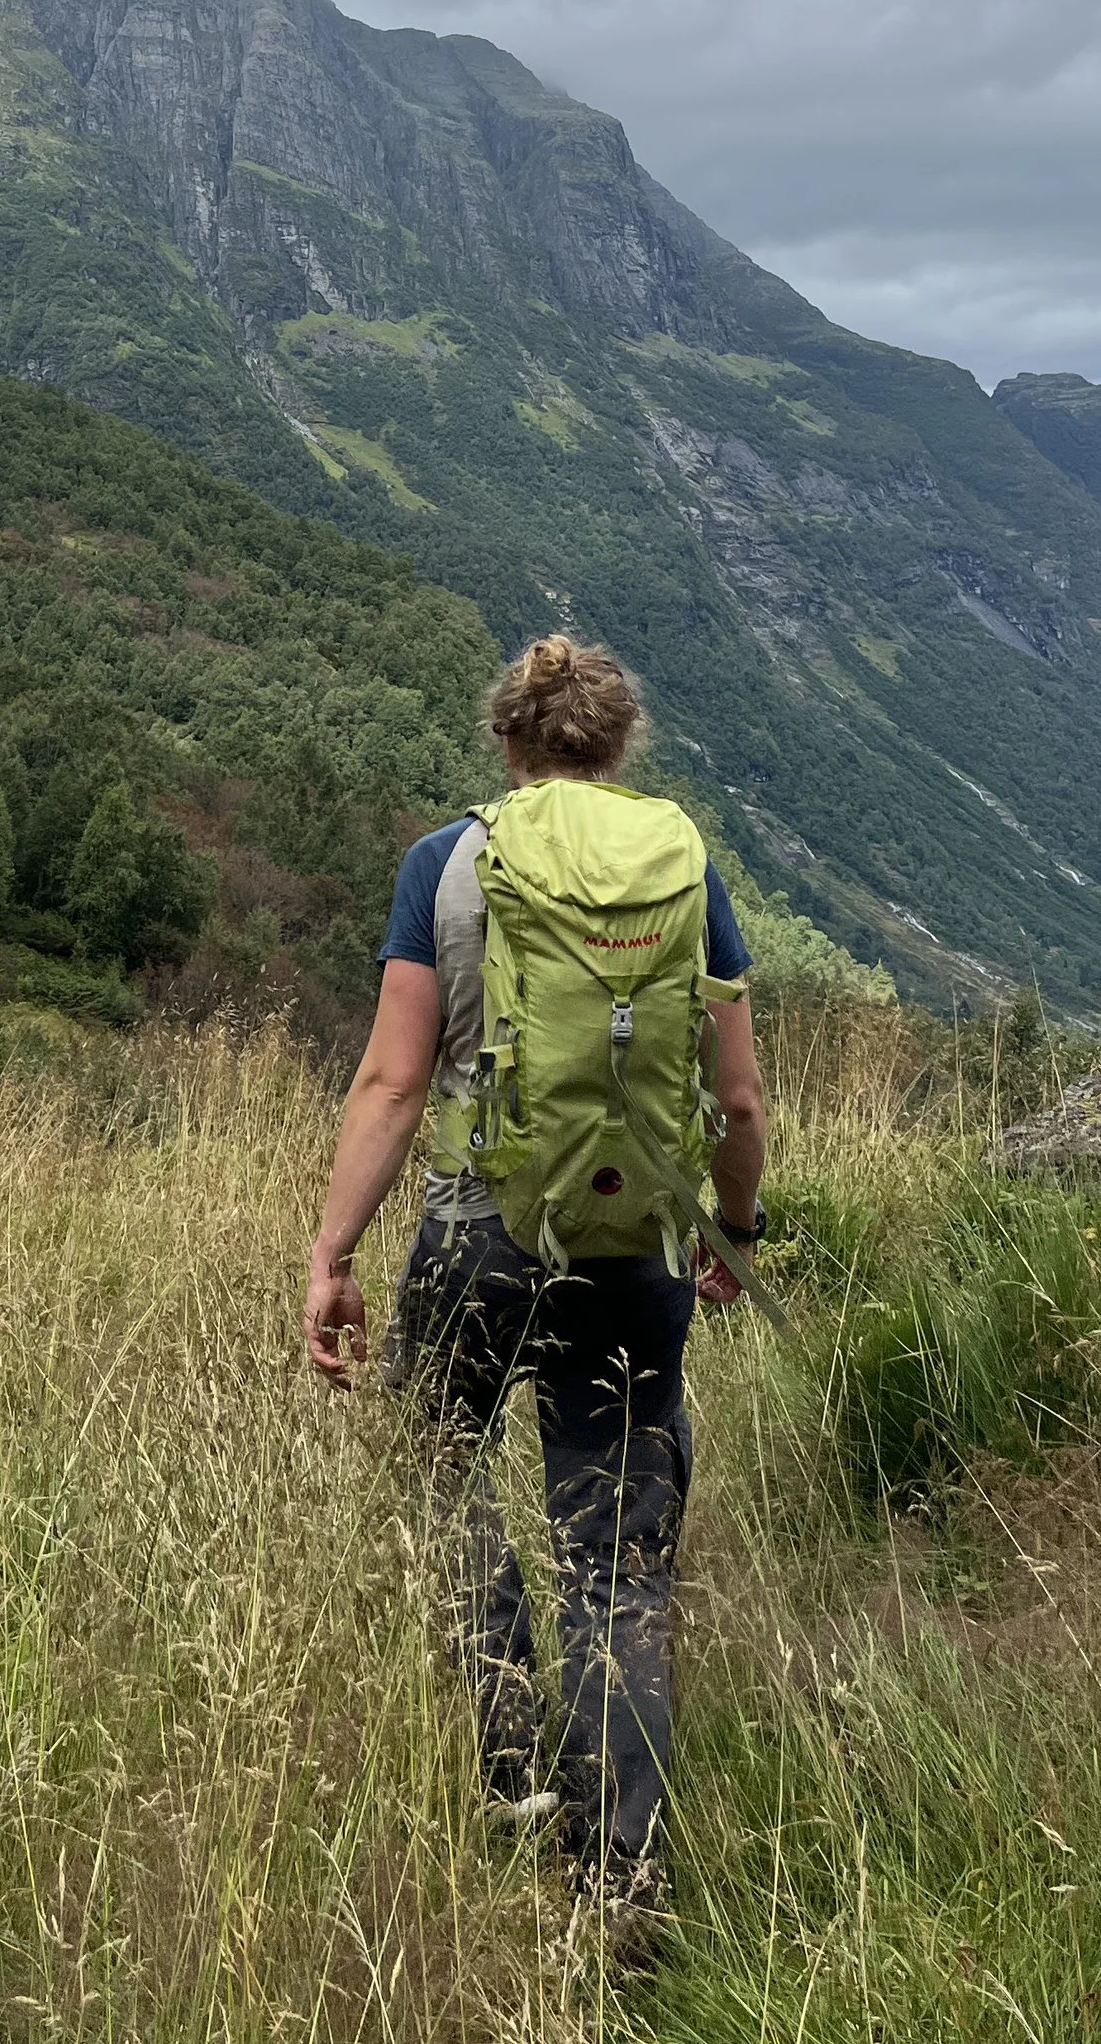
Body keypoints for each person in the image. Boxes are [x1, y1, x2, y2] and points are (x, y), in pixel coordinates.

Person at [302, 633, 767, 1935]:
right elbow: (734, 1097)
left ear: (507, 743)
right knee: (615, 1571)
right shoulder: (683, 864)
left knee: (434, 1459)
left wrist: (334, 1252)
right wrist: (732, 1228)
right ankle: (622, 1886)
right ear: (620, 748)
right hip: (639, 1250)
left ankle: (511, 1757)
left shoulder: (444, 864)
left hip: (476, 1233)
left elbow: (394, 1082)